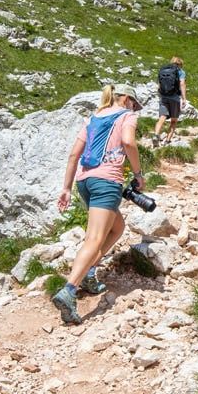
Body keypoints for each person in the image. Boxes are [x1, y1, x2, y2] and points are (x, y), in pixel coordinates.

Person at [51, 84, 145, 325]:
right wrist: (138, 173)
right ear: (126, 99)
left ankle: (89, 274)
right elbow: (129, 142)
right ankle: (69, 290)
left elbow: (74, 155)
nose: (135, 108)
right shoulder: (127, 115)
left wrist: (66, 188)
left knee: (117, 227)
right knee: (94, 238)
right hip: (107, 181)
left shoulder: (93, 118)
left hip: (85, 181)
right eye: (134, 103)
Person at [151, 56, 187, 147]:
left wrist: (161, 95)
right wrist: (184, 98)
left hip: (163, 97)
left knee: (162, 117)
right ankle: (167, 141)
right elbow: (182, 84)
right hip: (174, 98)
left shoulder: (163, 70)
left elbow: (159, 85)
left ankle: (156, 135)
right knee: (174, 121)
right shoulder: (180, 72)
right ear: (180, 64)